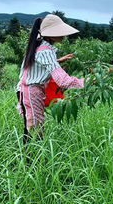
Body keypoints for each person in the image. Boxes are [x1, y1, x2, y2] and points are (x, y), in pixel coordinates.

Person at [15, 14, 84, 143]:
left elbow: (36, 64)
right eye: (59, 31)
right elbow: (64, 81)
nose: (63, 35)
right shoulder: (45, 51)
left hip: (26, 90)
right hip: (31, 92)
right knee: (36, 130)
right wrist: (88, 82)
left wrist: (57, 61)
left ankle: (29, 159)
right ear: (49, 34)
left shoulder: (39, 46)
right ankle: (32, 161)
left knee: (31, 127)